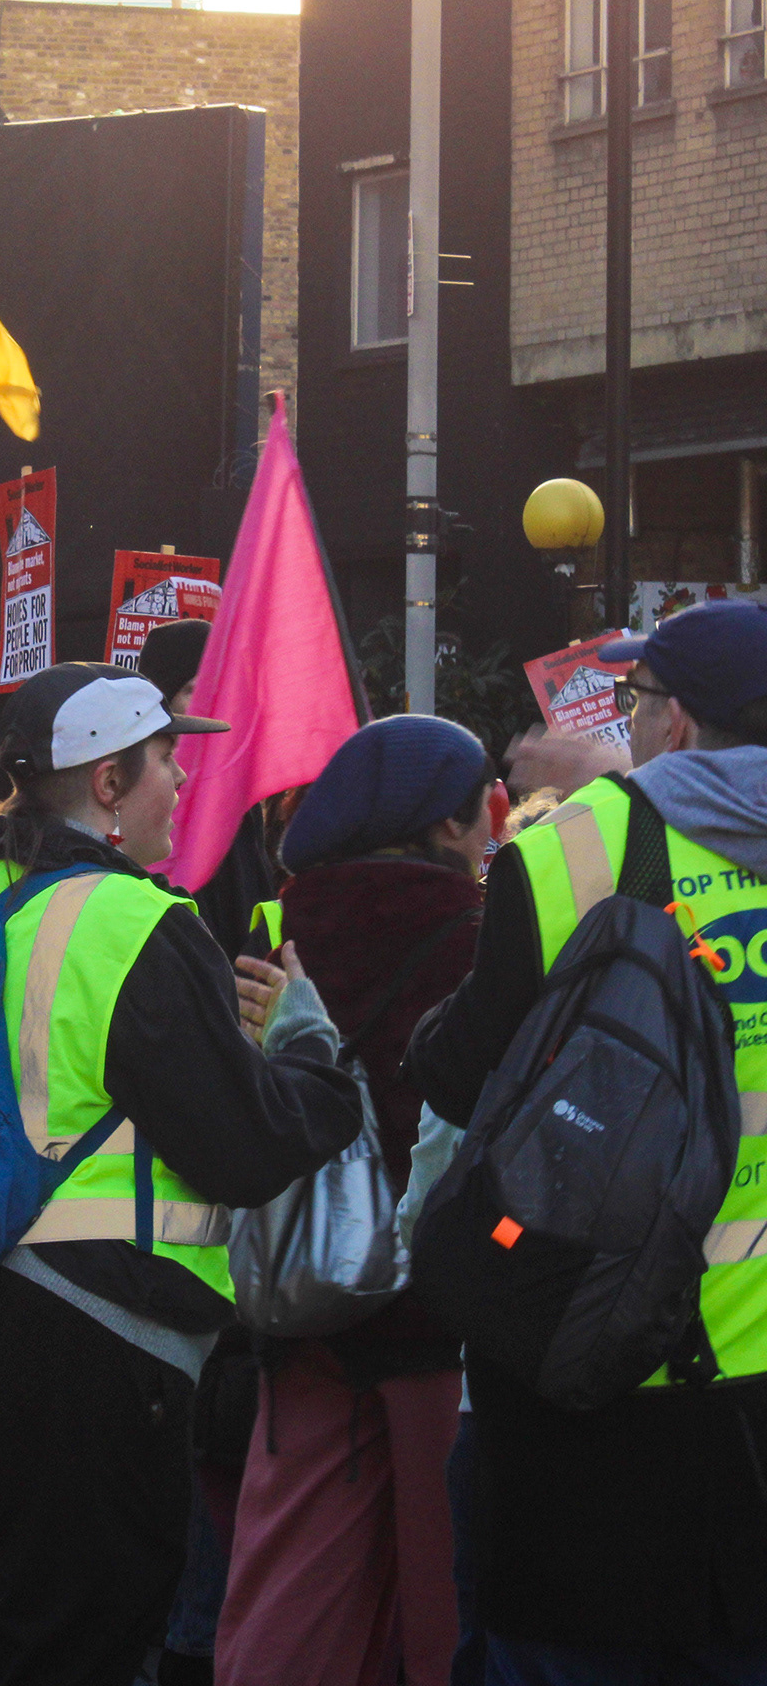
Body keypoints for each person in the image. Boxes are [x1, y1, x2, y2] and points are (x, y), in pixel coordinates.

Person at [0, 663, 363, 1686]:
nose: (183, 780)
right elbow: (249, 1149)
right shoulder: (137, 922)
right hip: (89, 1339)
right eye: (167, 757)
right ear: (105, 784)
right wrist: (311, 1048)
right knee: (72, 1648)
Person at [406, 600, 767, 1685]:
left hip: (592, 1354)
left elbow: (460, 1076)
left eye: (642, 699)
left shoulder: (573, 850)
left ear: (681, 724)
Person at [211, 716, 492, 1686]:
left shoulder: (274, 926)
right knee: (443, 1589)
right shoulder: (480, 936)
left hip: (304, 1291)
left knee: (294, 1593)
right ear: (449, 823)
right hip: (439, 1318)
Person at [137, 618, 279, 961]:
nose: (212, 703)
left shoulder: (240, 797)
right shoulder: (143, 798)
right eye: (195, 691)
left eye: (222, 689)